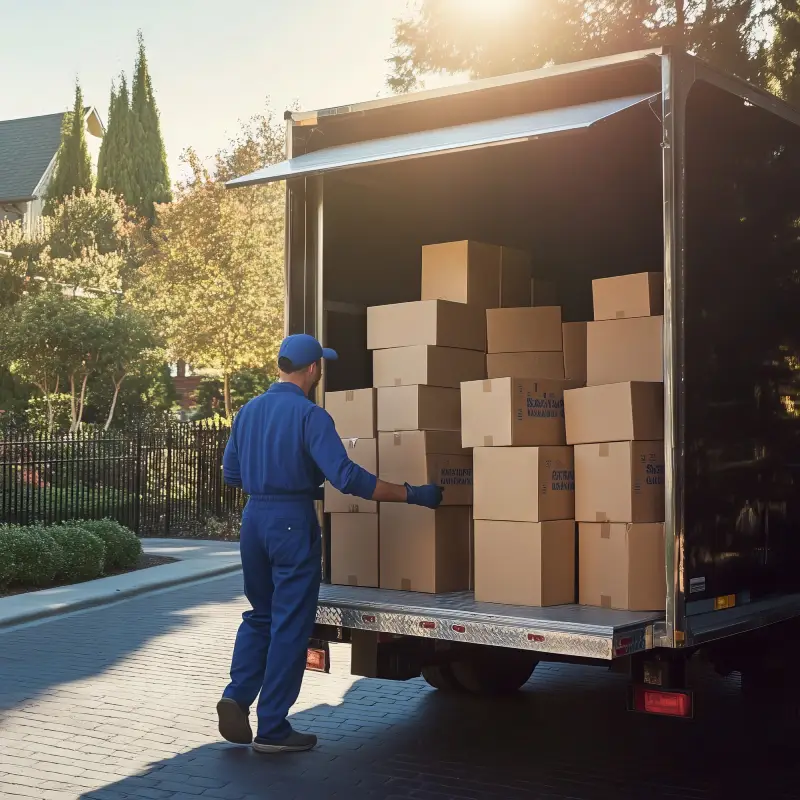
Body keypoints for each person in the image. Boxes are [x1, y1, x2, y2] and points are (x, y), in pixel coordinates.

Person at [217, 333, 443, 754]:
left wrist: (277, 477)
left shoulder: (247, 412)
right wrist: (412, 493)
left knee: (261, 614)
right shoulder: (310, 415)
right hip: (291, 524)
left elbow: (232, 475)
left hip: (253, 522)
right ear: (314, 369)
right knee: (290, 624)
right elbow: (348, 478)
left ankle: (236, 695)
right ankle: (272, 728)